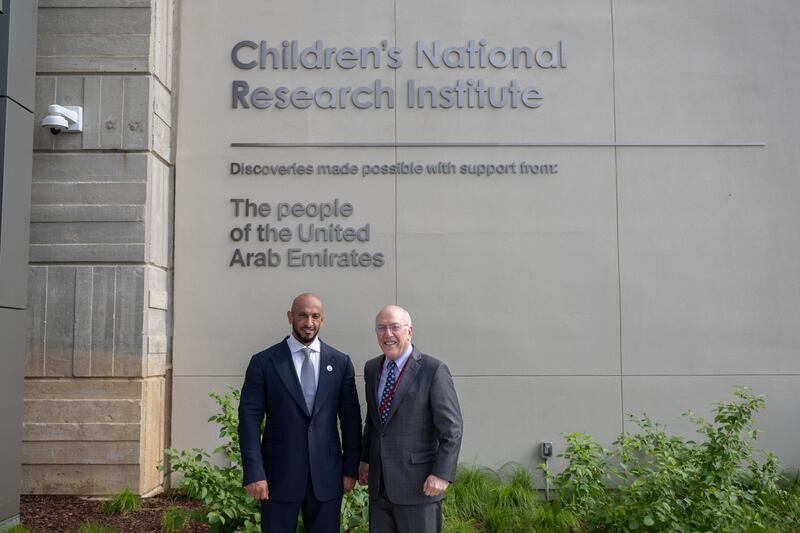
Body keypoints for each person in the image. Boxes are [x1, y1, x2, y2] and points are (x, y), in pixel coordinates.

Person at [238, 293, 362, 533]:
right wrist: (254, 472)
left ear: (322, 320)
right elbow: (249, 421)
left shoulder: (340, 363)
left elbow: (351, 421)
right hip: (277, 478)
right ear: (290, 317)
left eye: (315, 316)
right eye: (303, 315)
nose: (309, 322)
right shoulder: (264, 362)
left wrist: (350, 469)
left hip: (327, 477)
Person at [358, 305, 463, 533]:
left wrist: (441, 474)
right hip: (380, 487)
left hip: (419, 486)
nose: (388, 334)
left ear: (409, 331)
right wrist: (365, 459)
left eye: (395, 327)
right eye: (381, 328)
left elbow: (451, 429)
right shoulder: (372, 368)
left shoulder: (433, 370)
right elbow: (373, 421)